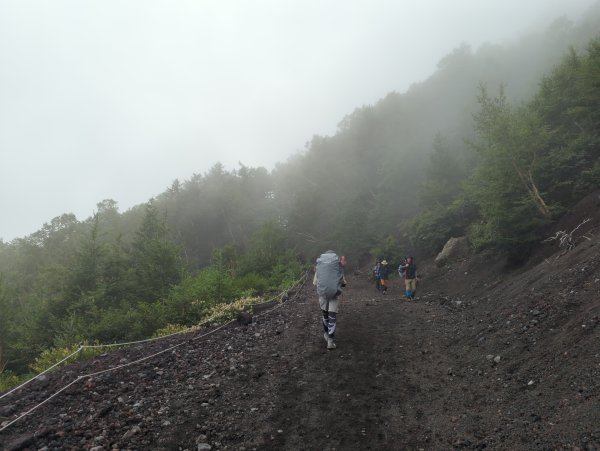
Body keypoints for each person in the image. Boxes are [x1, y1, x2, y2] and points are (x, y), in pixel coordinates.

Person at [313, 250, 346, 350]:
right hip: (334, 295)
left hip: (323, 295)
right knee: (332, 316)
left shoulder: (320, 267)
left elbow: (314, 283)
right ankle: (330, 342)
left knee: (325, 315)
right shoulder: (336, 267)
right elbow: (343, 282)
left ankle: (326, 334)